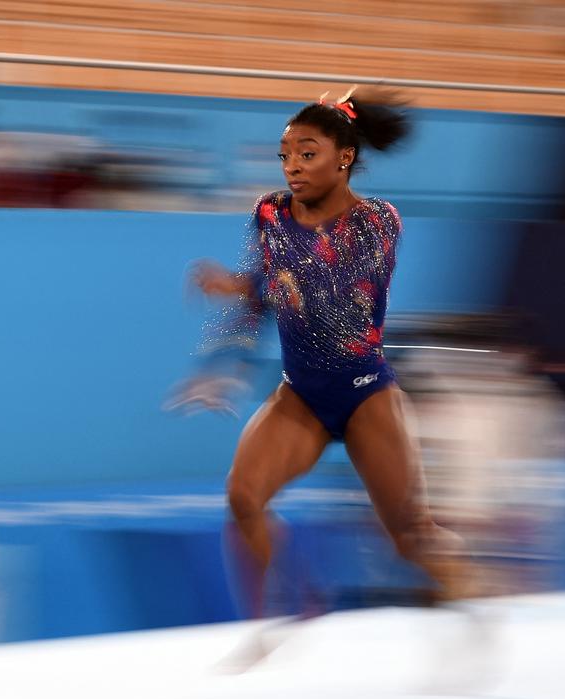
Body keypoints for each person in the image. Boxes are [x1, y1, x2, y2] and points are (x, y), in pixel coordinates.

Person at [171, 87, 473, 617]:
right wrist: (223, 365)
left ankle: (467, 583)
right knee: (243, 497)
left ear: (344, 157)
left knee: (409, 538)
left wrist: (251, 285)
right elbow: (266, 292)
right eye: (285, 155)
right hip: (302, 396)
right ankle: (287, 613)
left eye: (307, 154)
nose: (292, 166)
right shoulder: (269, 213)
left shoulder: (377, 221)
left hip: (365, 396)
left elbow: (334, 287)